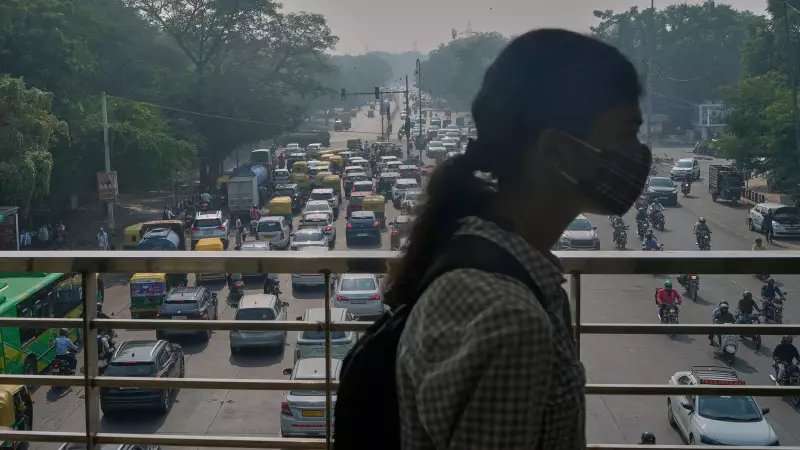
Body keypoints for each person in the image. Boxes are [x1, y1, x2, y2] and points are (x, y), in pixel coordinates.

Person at [387, 29, 650, 449]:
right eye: (626, 134)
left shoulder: (493, 259)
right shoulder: (511, 318)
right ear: (557, 150)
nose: (639, 154)